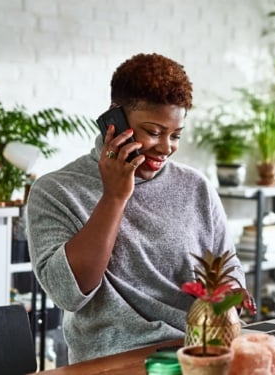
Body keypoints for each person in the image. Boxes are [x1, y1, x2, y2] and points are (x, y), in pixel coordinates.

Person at [25, 53, 245, 364]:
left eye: (175, 135)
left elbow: (229, 266)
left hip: (200, 352)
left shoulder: (195, 187)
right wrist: (114, 197)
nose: (166, 147)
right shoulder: (56, 191)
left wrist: (226, 306)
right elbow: (68, 294)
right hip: (114, 360)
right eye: (154, 132)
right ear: (115, 122)